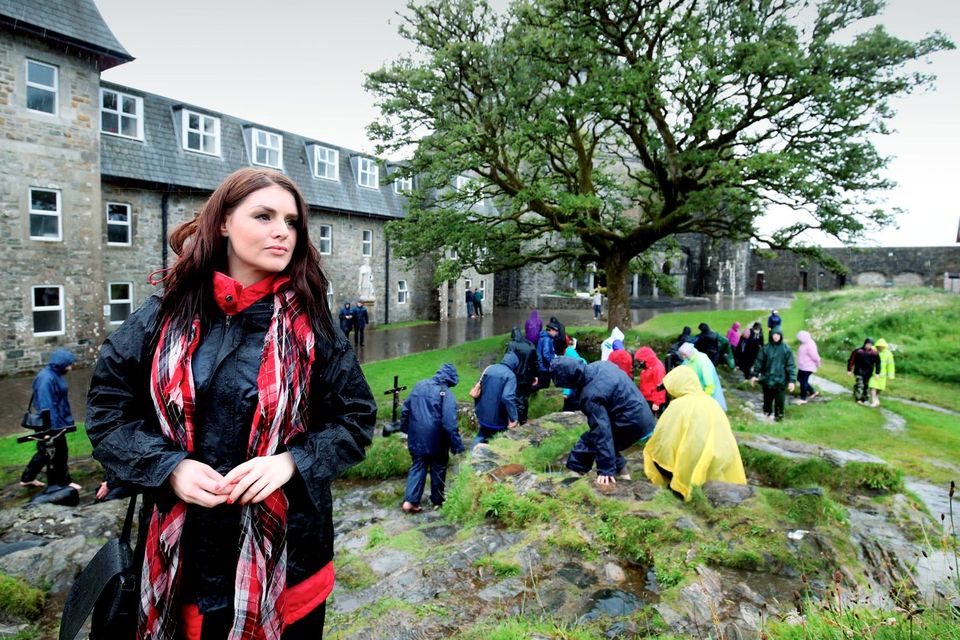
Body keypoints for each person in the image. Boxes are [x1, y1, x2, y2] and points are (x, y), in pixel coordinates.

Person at [86, 168, 377, 640]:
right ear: (223, 222)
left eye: (292, 221)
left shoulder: (313, 323)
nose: (282, 230)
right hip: (181, 566)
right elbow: (107, 414)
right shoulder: (162, 316)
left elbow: (355, 419)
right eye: (263, 216)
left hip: (289, 565)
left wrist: (291, 462)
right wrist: (169, 467)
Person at [643, 367, 747, 501]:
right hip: (721, 464)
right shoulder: (712, 402)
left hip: (691, 465)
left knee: (651, 452)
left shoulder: (678, 405)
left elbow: (662, 442)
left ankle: (679, 486)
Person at [550, 357, 656, 484]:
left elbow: (601, 431)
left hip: (630, 423)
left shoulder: (590, 395)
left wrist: (605, 469)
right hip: (642, 415)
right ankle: (625, 476)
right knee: (608, 442)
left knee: (590, 442)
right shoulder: (601, 365)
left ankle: (574, 477)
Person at [400, 364, 465, 513]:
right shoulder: (446, 393)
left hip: (416, 438)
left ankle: (410, 502)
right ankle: (437, 501)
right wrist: (457, 445)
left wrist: (406, 429)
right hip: (437, 441)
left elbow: (405, 410)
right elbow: (449, 424)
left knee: (418, 466)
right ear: (451, 379)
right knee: (439, 467)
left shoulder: (419, 386)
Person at [20, 348, 81, 490]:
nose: (70, 368)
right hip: (52, 424)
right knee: (60, 452)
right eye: (68, 364)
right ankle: (64, 482)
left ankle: (27, 479)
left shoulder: (55, 374)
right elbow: (46, 407)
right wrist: (50, 430)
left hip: (57, 422)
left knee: (44, 452)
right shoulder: (46, 379)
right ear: (60, 363)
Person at [750, 329, 797, 422]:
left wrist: (792, 381)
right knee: (767, 402)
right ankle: (766, 418)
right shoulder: (766, 348)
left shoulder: (786, 349)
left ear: (781, 336)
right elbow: (759, 362)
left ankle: (779, 419)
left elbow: (791, 365)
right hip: (768, 380)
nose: (775, 336)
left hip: (781, 381)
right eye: (774, 334)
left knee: (780, 402)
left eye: (777, 334)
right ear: (771, 335)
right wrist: (754, 375)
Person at [473, 352, 519, 446]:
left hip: (483, 413)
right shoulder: (510, 376)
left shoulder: (490, 368)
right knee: (498, 440)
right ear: (514, 364)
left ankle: (470, 457)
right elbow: (507, 397)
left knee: (481, 435)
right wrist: (513, 417)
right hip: (498, 417)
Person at [677, 342, 727, 411]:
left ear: (689, 353)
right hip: (695, 391)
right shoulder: (689, 358)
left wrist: (704, 398)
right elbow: (683, 369)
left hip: (705, 393)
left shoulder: (702, 362)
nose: (683, 357)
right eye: (682, 355)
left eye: (684, 355)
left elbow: (710, 385)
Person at [505, 326, 538, 424]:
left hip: (517, 376)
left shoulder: (512, 345)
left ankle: (518, 419)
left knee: (517, 397)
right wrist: (536, 375)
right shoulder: (530, 344)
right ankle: (523, 418)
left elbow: (508, 360)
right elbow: (535, 362)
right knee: (524, 397)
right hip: (528, 376)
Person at [634, 346, 666, 417]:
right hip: (646, 397)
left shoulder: (658, 368)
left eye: (640, 361)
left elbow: (660, 386)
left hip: (653, 400)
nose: (639, 363)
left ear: (645, 359)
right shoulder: (648, 366)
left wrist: (657, 403)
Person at [847, 338, 880, 405]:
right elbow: (851, 360)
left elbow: (878, 363)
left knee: (865, 385)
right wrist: (849, 370)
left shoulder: (874, 353)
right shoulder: (858, 351)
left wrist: (877, 373)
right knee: (860, 384)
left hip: (868, 372)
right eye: (868, 344)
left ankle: (863, 398)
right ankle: (858, 399)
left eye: (870, 344)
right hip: (858, 371)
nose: (868, 346)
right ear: (865, 343)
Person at [795, 330, 821, 404]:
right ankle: (813, 392)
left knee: (803, 381)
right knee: (799, 378)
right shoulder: (804, 343)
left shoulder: (809, 345)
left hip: (808, 367)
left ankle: (803, 398)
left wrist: (818, 363)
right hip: (803, 366)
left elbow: (815, 356)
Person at [561, 338, 588, 411]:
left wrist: (566, 393)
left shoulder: (569, 365)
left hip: (573, 394)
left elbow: (569, 379)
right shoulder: (583, 361)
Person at [868, 338, 896, 408]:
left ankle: (876, 399)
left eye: (882, 347)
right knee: (873, 387)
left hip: (882, 376)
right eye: (879, 347)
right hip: (873, 374)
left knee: (879, 389)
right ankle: (874, 401)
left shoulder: (888, 354)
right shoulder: (872, 350)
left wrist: (891, 375)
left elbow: (890, 365)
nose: (880, 348)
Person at [536, 321, 560, 389]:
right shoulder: (547, 339)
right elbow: (546, 354)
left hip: (542, 366)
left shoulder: (545, 337)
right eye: (556, 331)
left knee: (542, 386)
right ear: (551, 330)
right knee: (544, 386)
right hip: (544, 367)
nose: (557, 333)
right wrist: (552, 363)